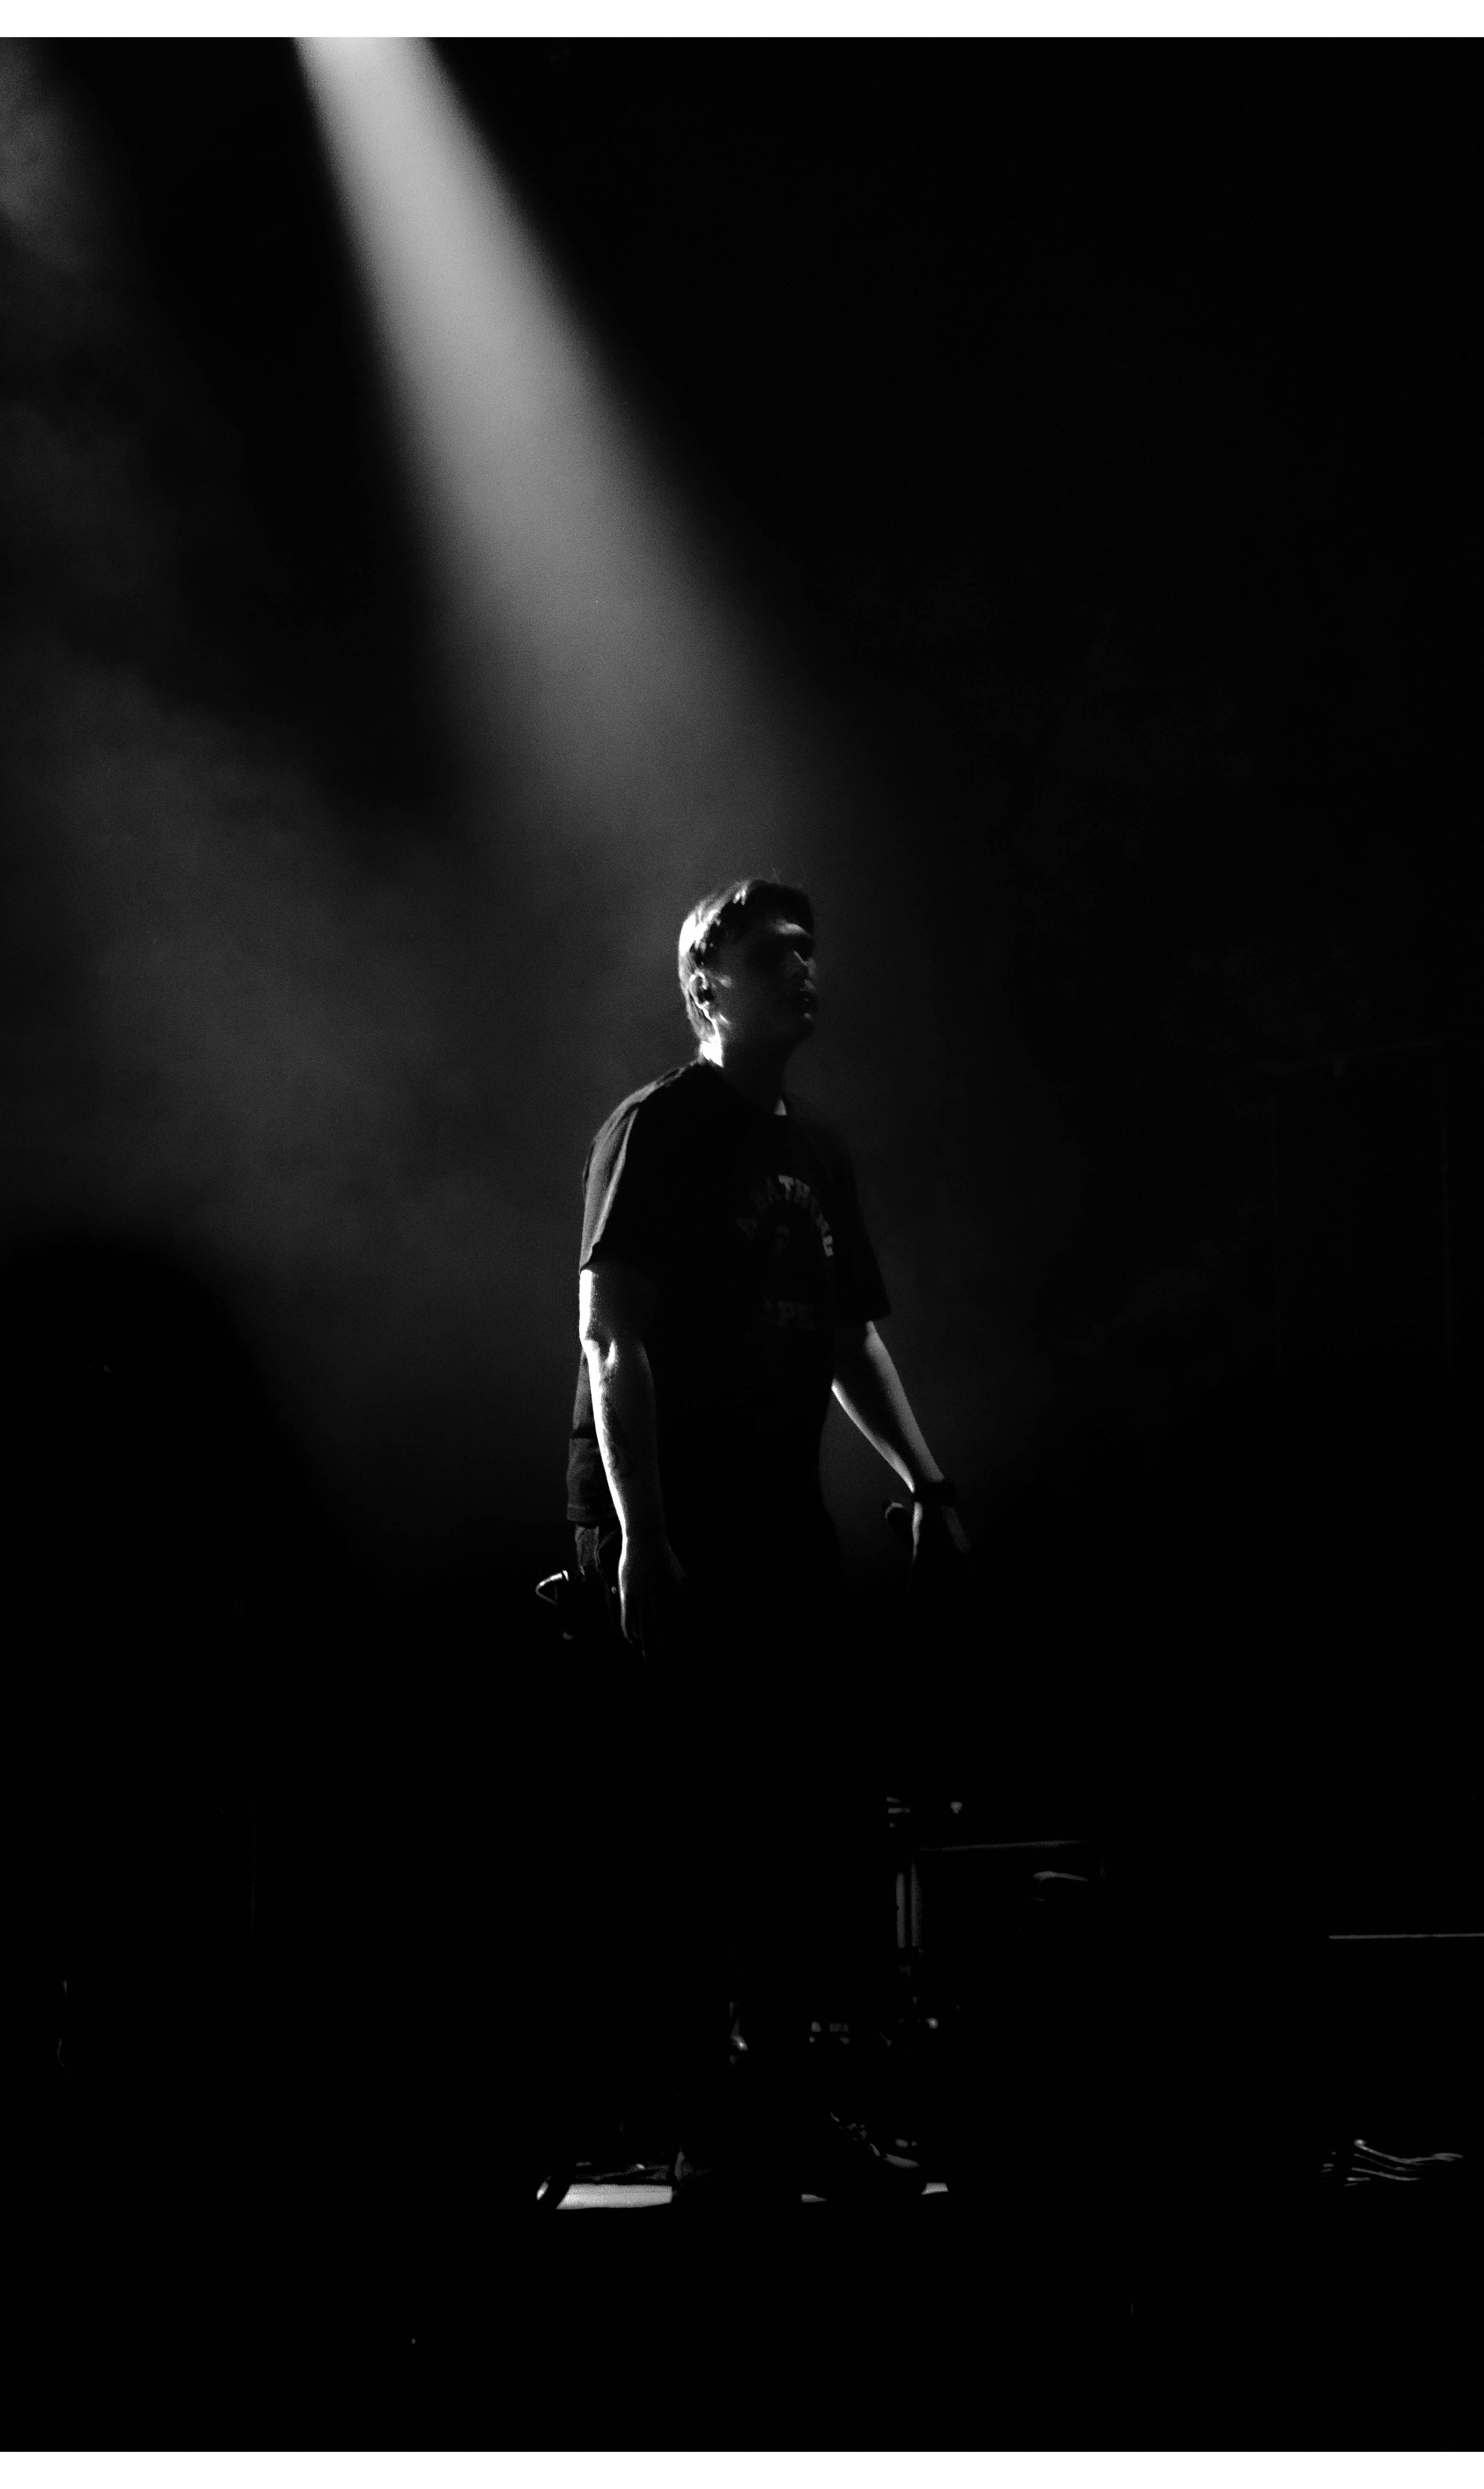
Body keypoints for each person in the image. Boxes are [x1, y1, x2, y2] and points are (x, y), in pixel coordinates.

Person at [565, 873, 968, 2207]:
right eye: (772, 955)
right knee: (706, 1816)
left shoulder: (819, 1152)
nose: (804, 970)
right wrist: (641, 1535)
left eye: (807, 952)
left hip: (778, 1516)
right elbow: (613, 1339)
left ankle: (784, 2103)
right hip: (676, 1519)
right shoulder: (659, 1128)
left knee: (804, 1815)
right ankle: (709, 2127)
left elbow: (851, 1337)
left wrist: (927, 1482)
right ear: (706, 986)